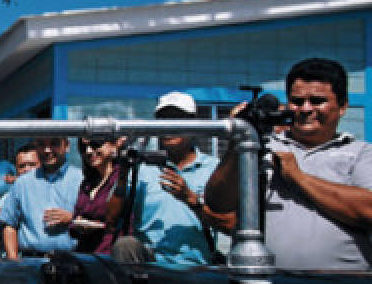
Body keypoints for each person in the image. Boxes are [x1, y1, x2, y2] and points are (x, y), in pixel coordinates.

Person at [205, 57, 372, 270]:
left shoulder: (361, 153)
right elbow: (217, 203)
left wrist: (298, 177)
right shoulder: (260, 147)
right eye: (297, 101)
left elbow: (369, 210)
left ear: (343, 106)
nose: (305, 109)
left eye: (317, 101)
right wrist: (240, 142)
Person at [112, 92, 227, 266]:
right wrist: (122, 171)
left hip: (198, 268)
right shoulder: (142, 168)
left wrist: (191, 200)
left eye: (177, 119)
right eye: (164, 120)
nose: (169, 127)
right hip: (151, 266)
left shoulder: (213, 168)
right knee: (125, 245)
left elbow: (227, 223)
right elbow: (111, 218)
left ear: (194, 125)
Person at [0, 137, 82, 259]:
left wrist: (72, 219)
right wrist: (13, 261)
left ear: (67, 146)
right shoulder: (22, 183)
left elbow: (96, 222)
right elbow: (9, 224)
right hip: (31, 263)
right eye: (41, 145)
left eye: (54, 143)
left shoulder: (81, 180)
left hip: (72, 263)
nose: (47, 150)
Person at [69, 136, 128, 254]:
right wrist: (78, 225)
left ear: (113, 146)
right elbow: (75, 220)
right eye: (83, 148)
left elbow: (116, 219)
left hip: (110, 254)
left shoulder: (123, 178)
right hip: (86, 254)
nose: (88, 151)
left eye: (95, 144)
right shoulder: (87, 183)